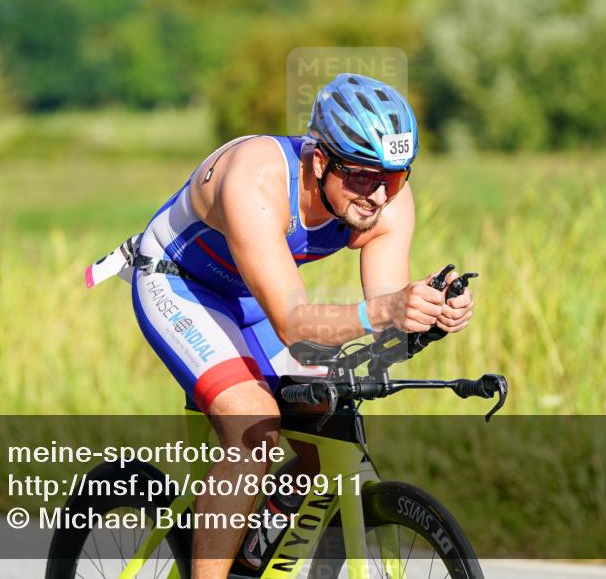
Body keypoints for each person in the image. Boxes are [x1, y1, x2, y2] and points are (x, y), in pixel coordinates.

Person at [87, 73, 474, 578]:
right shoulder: (255, 179)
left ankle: (251, 548)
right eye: (361, 176)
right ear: (320, 161)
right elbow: (297, 326)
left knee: (323, 437)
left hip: (253, 297)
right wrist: (387, 311)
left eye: (394, 177)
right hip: (180, 283)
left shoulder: (386, 197)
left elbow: (384, 310)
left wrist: (429, 314)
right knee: (255, 428)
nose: (379, 196)